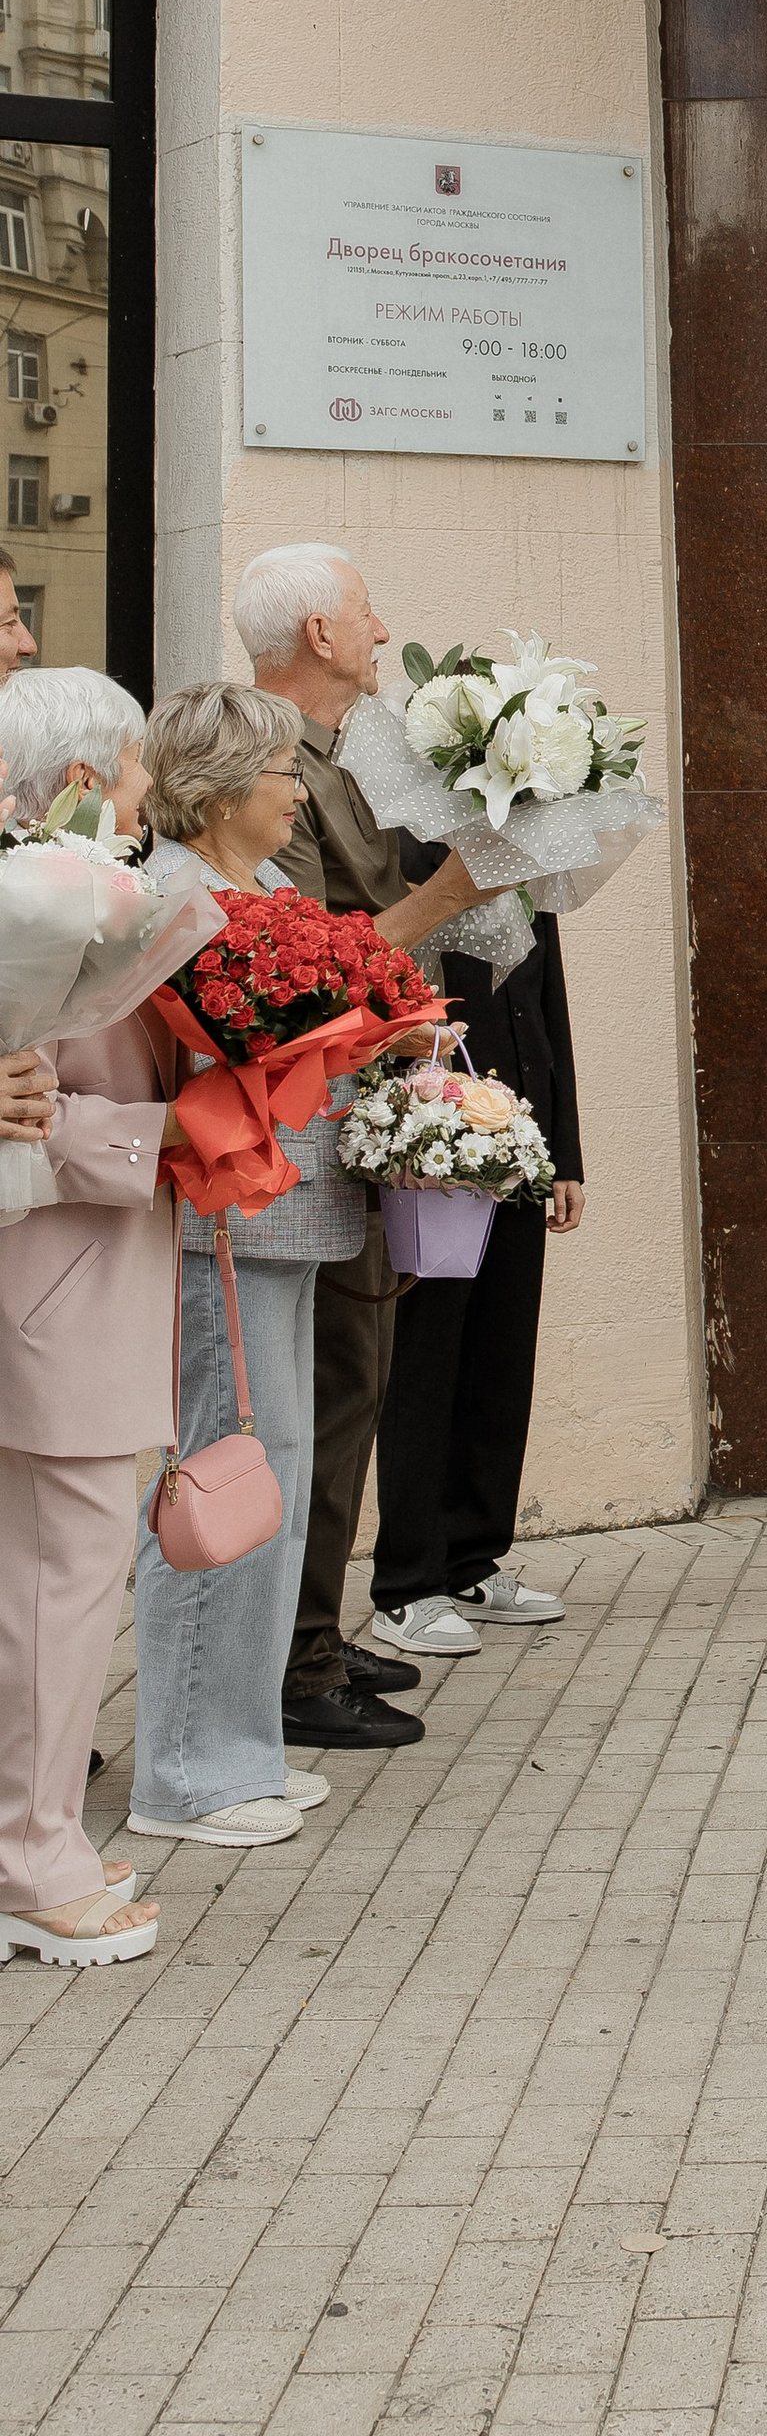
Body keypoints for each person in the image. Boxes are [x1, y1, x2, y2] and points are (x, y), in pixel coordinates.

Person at [128, 684, 392, 1848]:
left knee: (269, 1490)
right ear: (222, 788)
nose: (298, 790)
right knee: (220, 1489)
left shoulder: (270, 887)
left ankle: (240, 1748)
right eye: (283, 772)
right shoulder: (175, 902)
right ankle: (186, 1774)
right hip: (223, 1229)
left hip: (286, 1223)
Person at [234, 545, 481, 1749]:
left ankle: (318, 1628)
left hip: (362, 1104)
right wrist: (456, 892)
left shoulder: (340, 755)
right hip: (303, 1126)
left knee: (357, 1379)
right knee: (328, 1389)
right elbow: (309, 968)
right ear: (322, 635)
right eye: (369, 614)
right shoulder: (260, 767)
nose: (386, 634)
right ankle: (294, 1661)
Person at [0, 670, 158, 1960]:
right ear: (83, 782)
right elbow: (37, 1116)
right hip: (60, 1296)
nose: (151, 789)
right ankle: (34, 1862)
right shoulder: (49, 906)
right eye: (138, 764)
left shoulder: (65, 898)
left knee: (36, 1597)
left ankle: (31, 1836)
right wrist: (181, 1129)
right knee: (61, 1599)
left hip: (63, 1292)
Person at [368, 906, 583, 1659]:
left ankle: (471, 1560)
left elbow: (551, 1014)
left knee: (501, 1360)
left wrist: (563, 1157)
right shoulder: (415, 865)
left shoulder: (529, 875)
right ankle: (405, 1582)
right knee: (425, 1365)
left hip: (519, 1150)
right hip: (437, 1152)